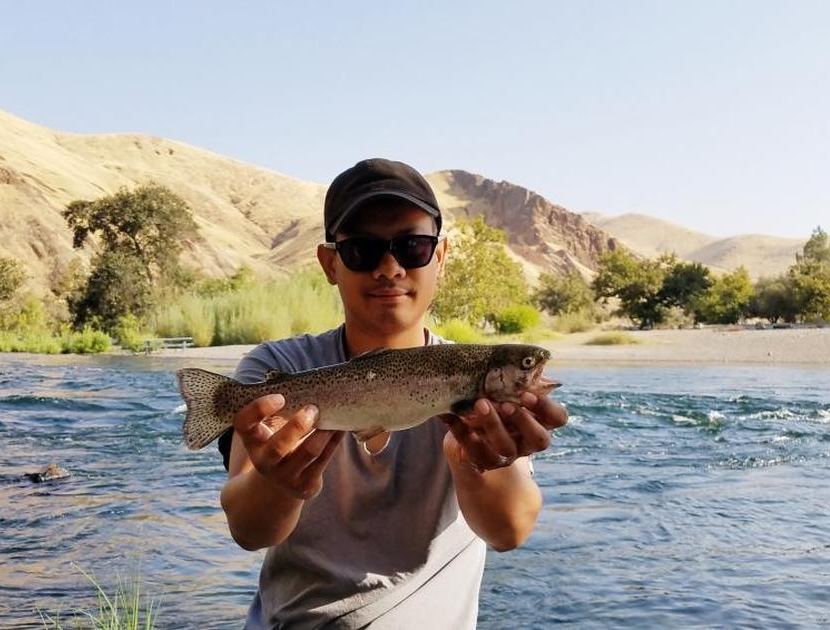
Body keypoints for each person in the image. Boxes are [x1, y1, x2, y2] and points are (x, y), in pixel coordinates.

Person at [216, 158, 568, 628]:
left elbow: (509, 532)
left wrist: (478, 463)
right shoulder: (275, 368)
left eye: (412, 247)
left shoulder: (482, 392)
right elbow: (248, 530)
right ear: (330, 263)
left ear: (440, 257)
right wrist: (279, 485)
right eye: (362, 250)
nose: (389, 268)